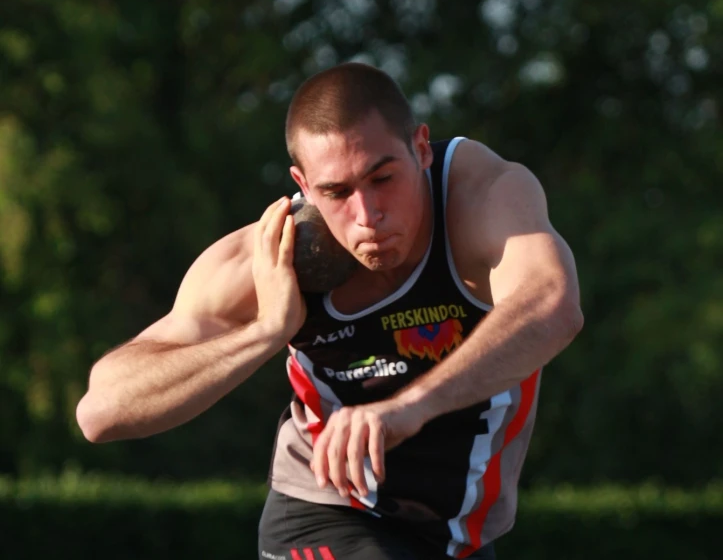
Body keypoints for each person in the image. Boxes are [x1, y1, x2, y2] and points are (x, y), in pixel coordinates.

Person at [76, 63, 583, 559]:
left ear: (422, 148)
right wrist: (267, 331)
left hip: (461, 534)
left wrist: (408, 407)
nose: (367, 216)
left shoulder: (482, 197)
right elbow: (101, 411)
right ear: (302, 184)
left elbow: (553, 304)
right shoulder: (278, 255)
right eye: (336, 192)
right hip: (327, 510)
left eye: (382, 178)